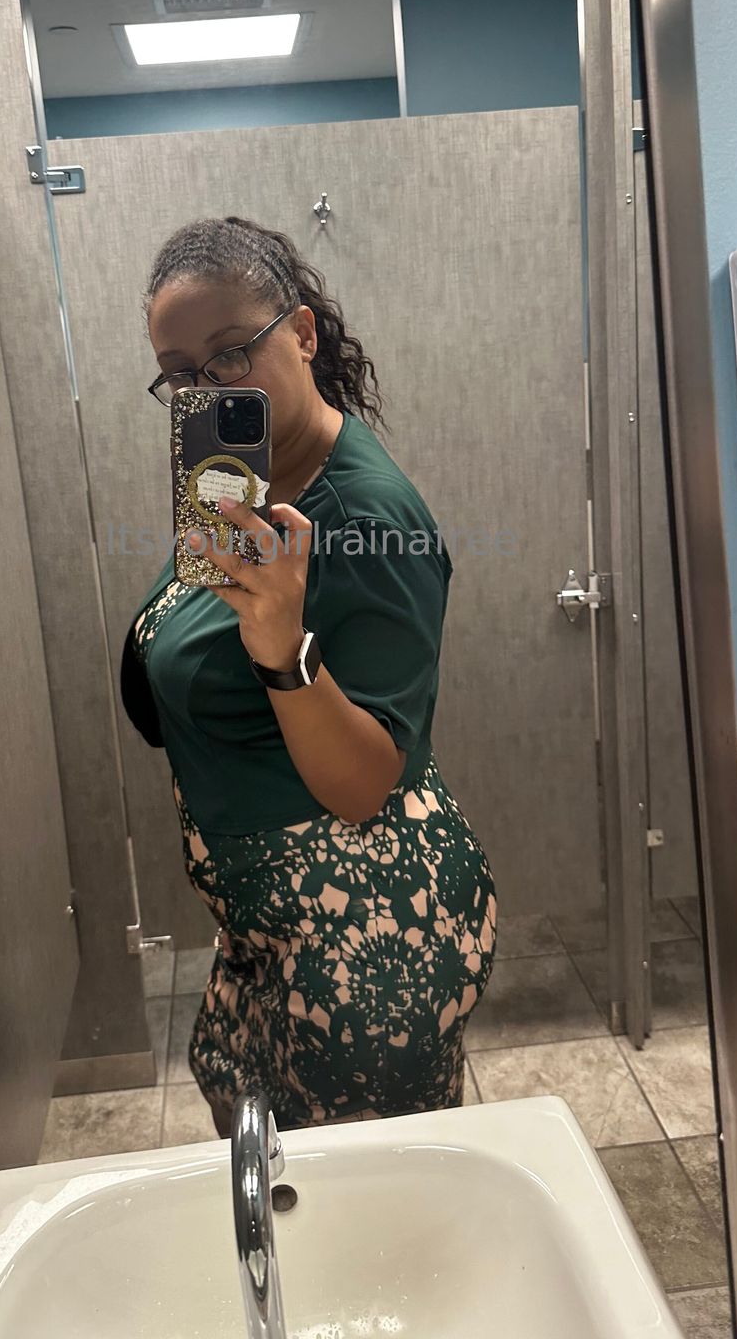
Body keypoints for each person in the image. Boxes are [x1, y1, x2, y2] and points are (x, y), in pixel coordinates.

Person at [120, 215, 496, 1136]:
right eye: (179, 373)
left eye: (230, 354)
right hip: (274, 929)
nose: (206, 390)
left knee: (361, 1202)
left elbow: (366, 784)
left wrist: (284, 649)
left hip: (364, 935)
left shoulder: (369, 519)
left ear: (301, 334)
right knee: (271, 1164)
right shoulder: (243, 486)